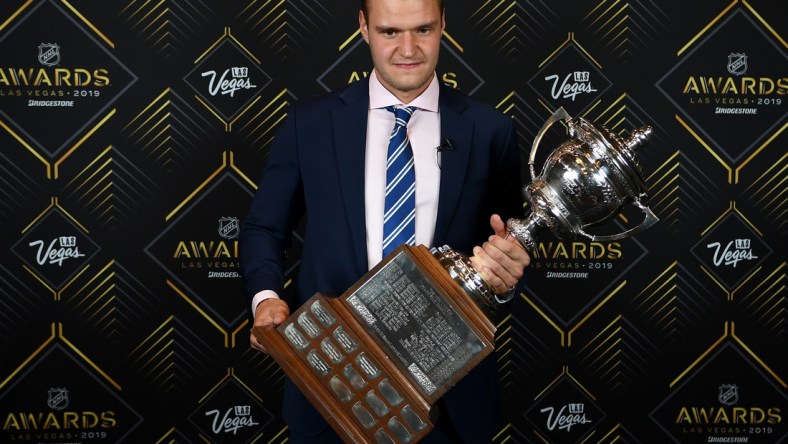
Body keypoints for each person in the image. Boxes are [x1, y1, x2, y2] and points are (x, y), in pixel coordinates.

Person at [240, 0, 531, 442]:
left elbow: (514, 247)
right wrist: (265, 300)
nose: (408, 48)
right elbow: (265, 228)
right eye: (390, 32)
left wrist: (509, 277)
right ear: (363, 27)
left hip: (449, 403)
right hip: (328, 387)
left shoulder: (490, 130)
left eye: (423, 29)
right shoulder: (310, 123)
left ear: (443, 26)